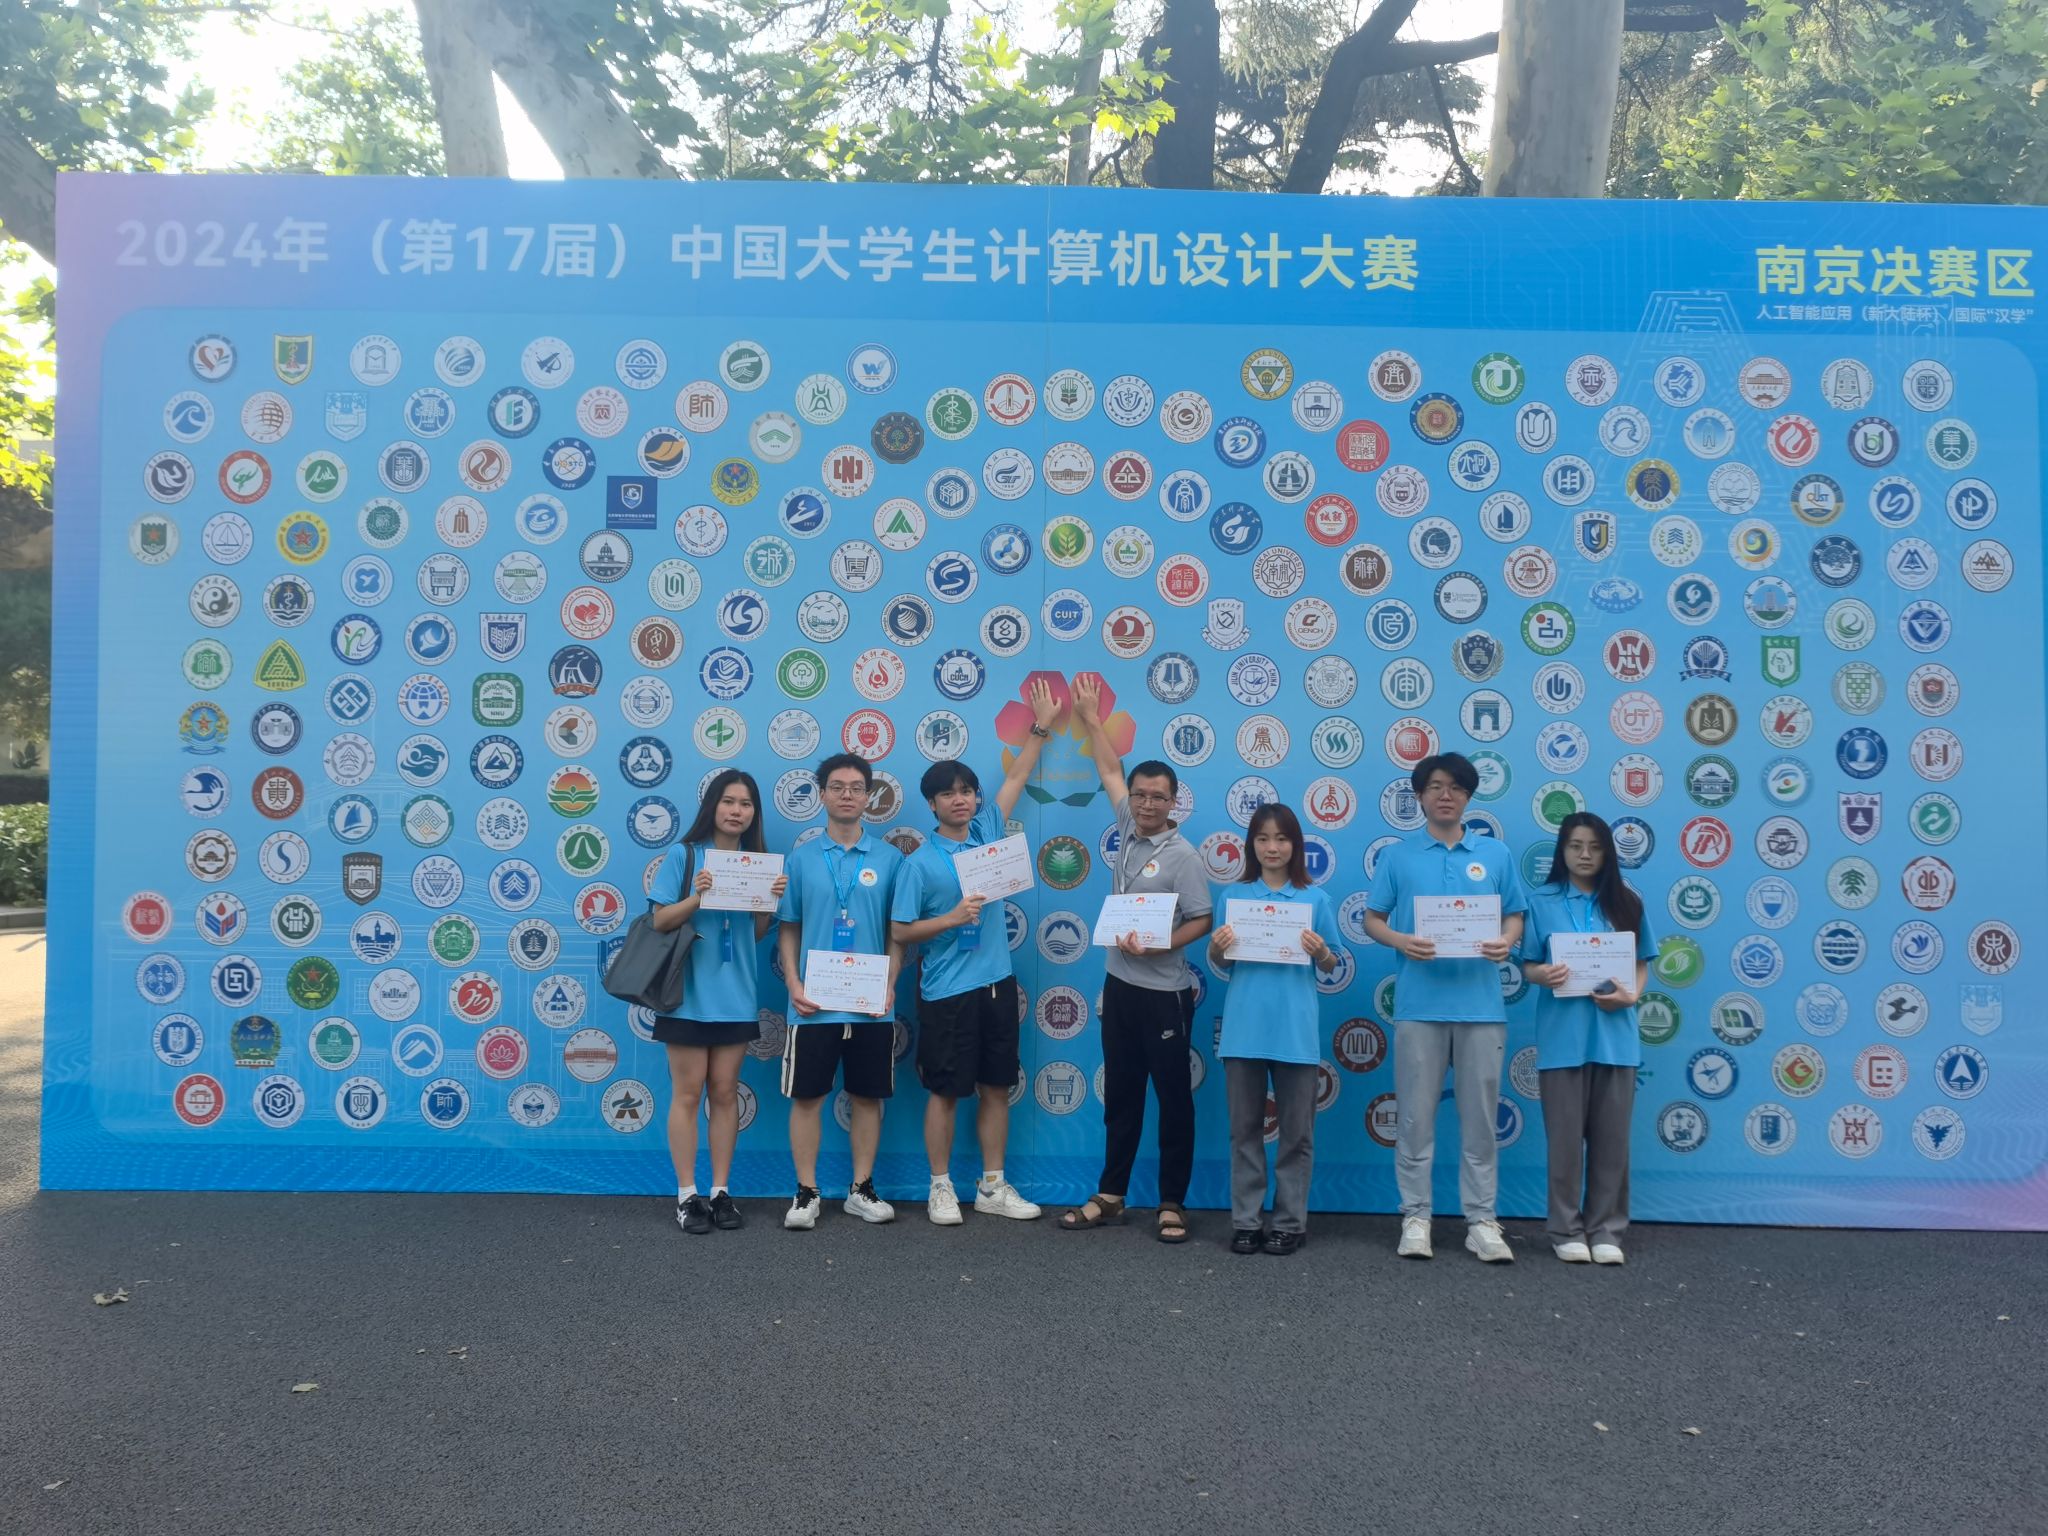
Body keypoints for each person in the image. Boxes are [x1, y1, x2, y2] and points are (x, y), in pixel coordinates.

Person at [890, 679, 1060, 1225]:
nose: (960, 799)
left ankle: (992, 1185)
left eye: (967, 790)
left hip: (996, 985)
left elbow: (1016, 777)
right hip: (946, 991)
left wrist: (1040, 727)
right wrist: (951, 919)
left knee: (996, 1087)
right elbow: (900, 931)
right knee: (945, 1092)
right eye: (948, 794)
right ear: (932, 804)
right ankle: (940, 1187)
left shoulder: (988, 831)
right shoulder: (918, 862)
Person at [1062, 673, 1213, 1244]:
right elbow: (1108, 769)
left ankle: (1172, 1201)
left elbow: (1202, 920)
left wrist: (1161, 944)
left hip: (1165, 996)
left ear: (1174, 802)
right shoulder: (1128, 826)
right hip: (1120, 990)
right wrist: (1091, 719)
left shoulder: (1184, 856)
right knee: (1122, 1096)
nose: (1147, 805)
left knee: (1173, 1101)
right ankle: (1111, 1194)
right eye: (1141, 795)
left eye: (1158, 797)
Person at [1364, 752, 1527, 1264]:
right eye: (1435, 786)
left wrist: (1506, 941)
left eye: (1455, 787)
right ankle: (1416, 1217)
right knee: (1415, 1118)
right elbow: (1372, 919)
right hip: (1419, 1005)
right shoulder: (1398, 856)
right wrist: (1402, 940)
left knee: (1480, 1122)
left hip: (1482, 1008)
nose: (1445, 795)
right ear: (1419, 796)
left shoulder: (1495, 854)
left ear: (1469, 796)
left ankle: (1481, 1220)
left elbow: (1515, 915)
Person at [648, 768, 788, 1234]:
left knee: (726, 1093)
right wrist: (699, 896)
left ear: (754, 813)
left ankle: (721, 1191)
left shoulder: (759, 863)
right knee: (688, 1095)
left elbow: (758, 934)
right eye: (729, 801)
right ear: (713, 805)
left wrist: (768, 902)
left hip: (737, 996)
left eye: (746, 804)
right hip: (686, 997)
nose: (736, 811)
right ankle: (687, 1195)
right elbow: (660, 921)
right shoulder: (685, 855)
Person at [1517, 812, 1656, 1266]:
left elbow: (1641, 962)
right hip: (1563, 1040)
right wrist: (1544, 974)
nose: (1584, 855)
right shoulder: (1541, 902)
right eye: (1576, 846)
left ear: (1607, 853)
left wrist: (1631, 995)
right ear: (1562, 851)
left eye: (1595, 847)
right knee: (1564, 1143)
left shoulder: (1626, 902)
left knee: (1612, 1143)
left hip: (1616, 1040)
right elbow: (1528, 966)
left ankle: (1607, 1230)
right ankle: (1566, 1229)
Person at [1205, 803, 1343, 1257]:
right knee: (1243, 1131)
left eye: (1282, 838)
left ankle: (1288, 1223)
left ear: (1295, 845)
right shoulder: (1234, 897)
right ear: (1252, 845)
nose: (1272, 847)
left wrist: (1321, 952)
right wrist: (1217, 948)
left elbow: (1333, 963)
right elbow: (1221, 961)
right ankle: (1246, 1221)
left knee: (1296, 1135)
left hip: (1295, 1032)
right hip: (1244, 1029)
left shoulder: (1315, 900)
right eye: (1263, 838)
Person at [776, 753, 906, 1231]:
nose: (847, 795)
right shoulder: (802, 858)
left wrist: (889, 983)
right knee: (806, 1097)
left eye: (856, 787)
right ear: (822, 794)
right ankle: (806, 1191)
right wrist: (793, 982)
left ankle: (861, 1188)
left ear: (869, 797)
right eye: (837, 786)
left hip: (870, 1004)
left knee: (868, 1097)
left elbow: (897, 932)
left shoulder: (890, 859)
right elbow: (788, 927)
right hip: (813, 1004)